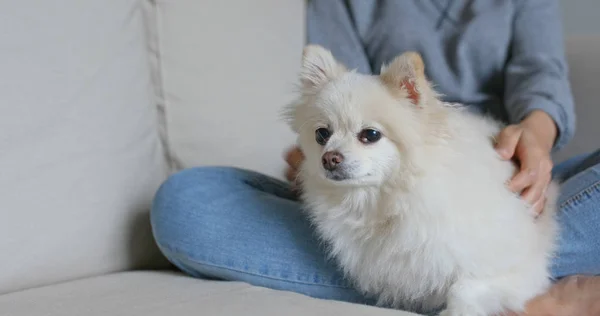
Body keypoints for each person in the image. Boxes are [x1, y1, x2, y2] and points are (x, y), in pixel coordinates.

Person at [150, 1, 600, 314]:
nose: (329, 150)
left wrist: (534, 141)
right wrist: (321, 146)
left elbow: (539, 74)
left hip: (507, 174)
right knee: (186, 203)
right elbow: (340, 94)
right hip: (366, 204)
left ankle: (476, 281)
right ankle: (491, 285)